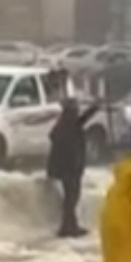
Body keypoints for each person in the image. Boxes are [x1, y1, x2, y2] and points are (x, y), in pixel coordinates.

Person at [47, 97, 100, 237]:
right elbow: (68, 148)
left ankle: (70, 226)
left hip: (67, 168)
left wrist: (95, 108)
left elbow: (82, 120)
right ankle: (67, 228)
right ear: (70, 111)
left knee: (71, 198)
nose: (77, 111)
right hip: (70, 169)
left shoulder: (65, 124)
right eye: (75, 109)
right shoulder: (68, 125)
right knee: (72, 198)